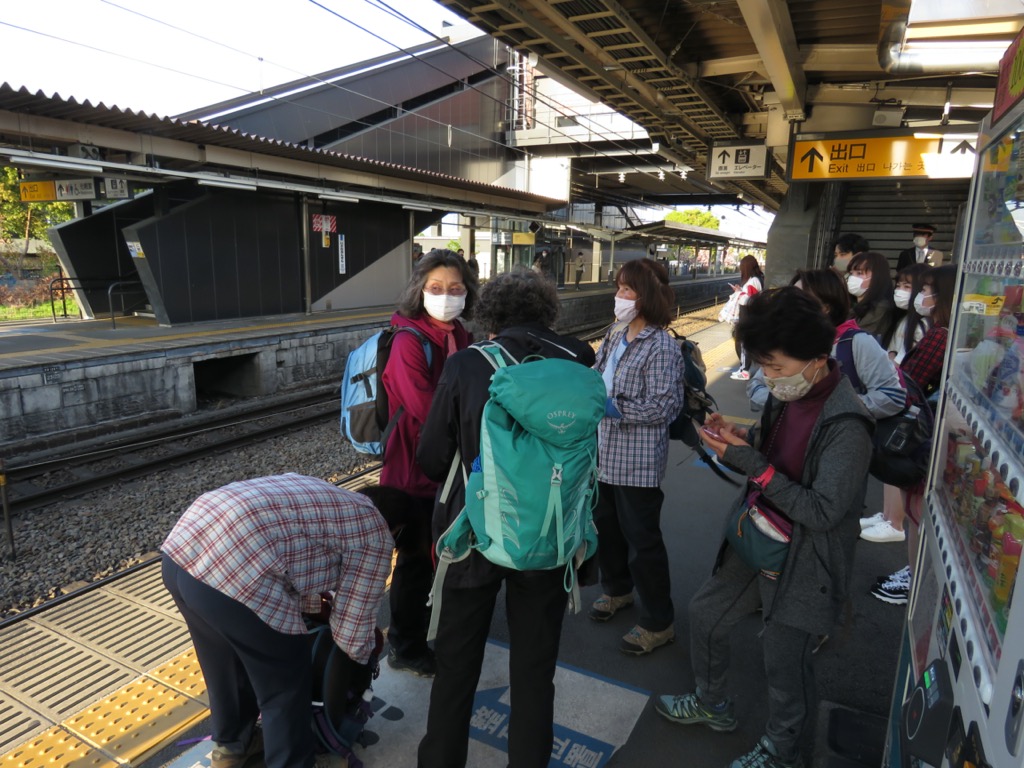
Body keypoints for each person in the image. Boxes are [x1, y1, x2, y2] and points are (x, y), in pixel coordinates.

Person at [656, 287, 873, 768]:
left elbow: (821, 511)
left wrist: (748, 460)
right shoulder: (788, 395)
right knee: (708, 614)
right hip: (759, 535)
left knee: (784, 661)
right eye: (762, 365)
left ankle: (784, 752)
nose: (767, 377)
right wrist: (741, 436)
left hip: (804, 561)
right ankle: (712, 704)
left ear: (817, 358)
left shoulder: (848, 425)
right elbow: (773, 444)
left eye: (774, 366)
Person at [415, 268, 597, 768]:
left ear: (488, 315)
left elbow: (432, 458)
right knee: (535, 669)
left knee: (456, 665)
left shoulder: (469, 364)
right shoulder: (580, 359)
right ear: (548, 312)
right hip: (549, 531)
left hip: (474, 533)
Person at [161, 475, 401, 768]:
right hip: (233, 569)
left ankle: (234, 748)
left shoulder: (331, 499)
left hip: (182, 551)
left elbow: (295, 561)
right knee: (284, 685)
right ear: (398, 529)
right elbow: (352, 631)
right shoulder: (377, 532)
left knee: (225, 666)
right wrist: (360, 666)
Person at [380, 248, 478, 676]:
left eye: (455, 289)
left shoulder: (459, 333)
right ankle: (406, 645)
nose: (446, 296)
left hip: (448, 467)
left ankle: (427, 628)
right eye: (436, 288)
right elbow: (426, 409)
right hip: (412, 471)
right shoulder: (408, 341)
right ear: (420, 290)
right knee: (416, 558)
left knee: (440, 551)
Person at [590, 258, 684, 655]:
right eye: (619, 288)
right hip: (603, 454)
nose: (619, 296)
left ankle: (659, 621)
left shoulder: (661, 345)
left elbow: (665, 406)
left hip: (637, 461)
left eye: (627, 290)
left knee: (643, 541)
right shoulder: (615, 334)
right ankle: (617, 590)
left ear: (645, 295)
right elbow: (597, 374)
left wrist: (617, 408)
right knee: (606, 529)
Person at [871, 265, 957, 606]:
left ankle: (914, 576)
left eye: (927, 289)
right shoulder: (955, 332)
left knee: (917, 510)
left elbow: (910, 382)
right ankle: (914, 572)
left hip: (924, 437)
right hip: (945, 432)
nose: (922, 295)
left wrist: (890, 370)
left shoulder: (941, 334)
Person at [858, 263, 933, 546]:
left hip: (905, 401)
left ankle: (894, 522)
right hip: (898, 393)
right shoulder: (905, 320)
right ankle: (888, 515)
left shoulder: (924, 326)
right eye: (899, 285)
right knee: (890, 456)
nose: (902, 292)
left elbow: (913, 366)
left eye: (911, 287)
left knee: (896, 457)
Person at [845, 251, 895, 339]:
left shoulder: (880, 307)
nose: (852, 278)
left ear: (877, 276)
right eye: (851, 273)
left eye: (859, 273)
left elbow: (854, 336)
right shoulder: (852, 304)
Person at [730, 255, 764, 381]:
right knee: (744, 344)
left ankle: (745, 371)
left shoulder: (753, 281)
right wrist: (740, 291)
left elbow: (751, 300)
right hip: (749, 316)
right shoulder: (756, 279)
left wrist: (739, 293)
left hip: (748, 317)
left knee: (744, 345)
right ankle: (743, 369)